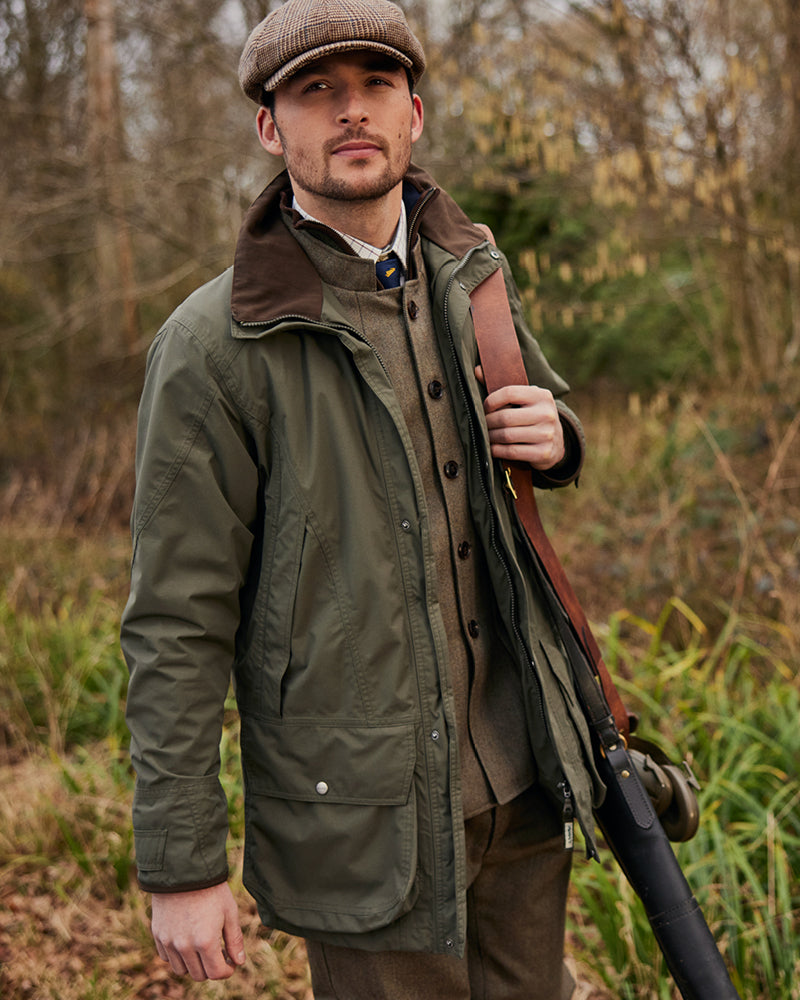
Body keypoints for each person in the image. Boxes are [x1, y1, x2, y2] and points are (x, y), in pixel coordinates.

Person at [121, 1, 604, 997]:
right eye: (317, 91)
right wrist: (181, 863)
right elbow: (175, 619)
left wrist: (558, 435)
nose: (352, 112)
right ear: (269, 128)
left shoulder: (470, 275)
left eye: (374, 86)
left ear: (413, 113)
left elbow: (537, 412)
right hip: (361, 816)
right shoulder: (215, 346)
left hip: (522, 783)